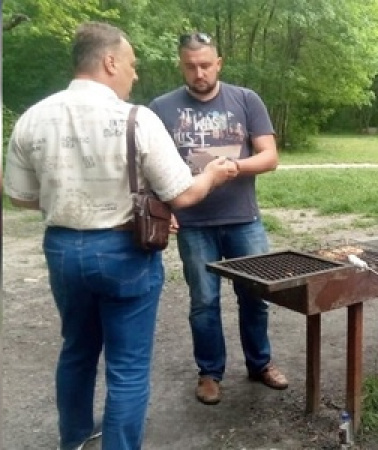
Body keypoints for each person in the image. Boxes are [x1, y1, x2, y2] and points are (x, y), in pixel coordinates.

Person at [3, 22, 234, 450]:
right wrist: (215, 174)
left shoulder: (33, 117)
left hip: (63, 249)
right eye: (130, 64)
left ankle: (73, 439)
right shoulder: (136, 118)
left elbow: (19, 198)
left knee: (76, 350)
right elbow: (183, 194)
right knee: (127, 367)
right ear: (110, 61)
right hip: (124, 251)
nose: (134, 74)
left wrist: (70, 199)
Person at [148, 31, 285, 406]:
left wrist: (234, 166)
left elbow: (269, 156)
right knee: (204, 302)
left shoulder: (245, 99)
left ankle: (260, 363)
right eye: (191, 66)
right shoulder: (161, 108)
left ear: (219, 63)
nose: (199, 73)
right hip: (193, 223)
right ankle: (210, 373)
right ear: (181, 65)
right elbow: (150, 168)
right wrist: (167, 209)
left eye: (206, 65)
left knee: (255, 296)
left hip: (244, 218)